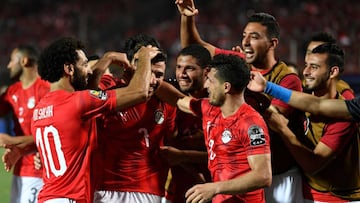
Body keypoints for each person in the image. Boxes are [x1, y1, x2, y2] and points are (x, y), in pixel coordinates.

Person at [176, 1, 304, 202]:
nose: (245, 42)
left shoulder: (287, 80)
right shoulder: (237, 64)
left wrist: (237, 91)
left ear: (273, 43)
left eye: (254, 37)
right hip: (239, 176)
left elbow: (271, 122)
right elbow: (196, 50)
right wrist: (188, 18)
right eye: (244, 35)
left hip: (279, 174)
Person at [30, 37, 160, 202]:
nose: (90, 70)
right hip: (70, 198)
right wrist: (144, 56)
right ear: (69, 69)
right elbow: (139, 92)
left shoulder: (39, 110)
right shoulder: (77, 102)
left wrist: (108, 58)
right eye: (84, 65)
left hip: (48, 196)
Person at [157, 54, 272, 203]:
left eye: (211, 81)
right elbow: (178, 100)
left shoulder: (251, 123)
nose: (206, 86)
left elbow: (263, 176)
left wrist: (216, 188)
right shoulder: (209, 109)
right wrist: (152, 81)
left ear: (226, 87)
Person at [264, 43, 360, 201]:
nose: (306, 72)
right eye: (306, 65)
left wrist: (282, 128)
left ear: (333, 72)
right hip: (304, 191)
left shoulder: (343, 117)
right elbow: (313, 105)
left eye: (314, 67)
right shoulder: (300, 98)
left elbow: (313, 164)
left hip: (338, 198)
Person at [93, 34, 177, 203]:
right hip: (106, 190)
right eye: (147, 72)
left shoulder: (166, 100)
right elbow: (83, 95)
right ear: (128, 67)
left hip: (150, 192)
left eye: (159, 74)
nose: (152, 81)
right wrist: (108, 57)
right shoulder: (108, 88)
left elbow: (172, 142)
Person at [160, 44, 212, 203]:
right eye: (178, 67)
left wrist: (182, 156)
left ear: (207, 71)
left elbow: (226, 154)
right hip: (177, 192)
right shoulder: (168, 93)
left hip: (214, 191)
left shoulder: (218, 102)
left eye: (189, 68)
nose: (181, 74)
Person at [0, 44, 50, 203]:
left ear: (25, 61)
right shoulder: (12, 92)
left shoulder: (46, 89)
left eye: (12, 60)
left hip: (39, 171)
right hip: (18, 169)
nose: (8, 65)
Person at [304, 31, 355, 99]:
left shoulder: (344, 93)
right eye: (309, 52)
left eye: (319, 51)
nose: (312, 56)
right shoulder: (298, 87)